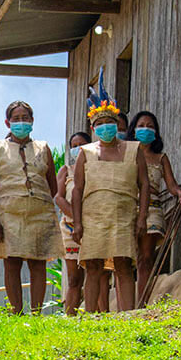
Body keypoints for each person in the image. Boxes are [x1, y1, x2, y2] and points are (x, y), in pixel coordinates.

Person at [71, 68, 149, 312]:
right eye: (100, 123)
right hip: (93, 217)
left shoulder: (134, 149)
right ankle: (91, 316)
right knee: (92, 266)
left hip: (124, 215)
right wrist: (77, 222)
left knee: (124, 264)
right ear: (93, 127)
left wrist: (142, 216)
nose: (105, 127)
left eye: (109, 122)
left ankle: (128, 315)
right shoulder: (86, 153)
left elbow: (144, 184)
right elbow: (77, 190)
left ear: (118, 124)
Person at [0, 101, 64, 314]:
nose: (21, 122)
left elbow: (53, 185)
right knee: (12, 262)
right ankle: (16, 312)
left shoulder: (42, 148)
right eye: (16, 119)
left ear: (32, 121)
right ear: (7, 122)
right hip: (7, 214)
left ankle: (36, 313)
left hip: (39, 213)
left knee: (38, 262)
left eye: (25, 118)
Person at [127, 110, 181, 303]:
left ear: (156, 132)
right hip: (127, 207)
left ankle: (142, 303)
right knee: (125, 259)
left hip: (152, 209)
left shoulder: (161, 158)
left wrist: (180, 193)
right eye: (142, 125)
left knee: (145, 258)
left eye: (150, 126)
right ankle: (126, 305)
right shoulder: (125, 154)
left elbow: (172, 185)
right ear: (134, 129)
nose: (146, 129)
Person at [54, 131, 91, 315]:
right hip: (70, 229)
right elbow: (59, 198)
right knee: (74, 278)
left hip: (93, 227)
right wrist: (77, 219)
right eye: (74, 145)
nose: (77, 148)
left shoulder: (95, 168)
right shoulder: (66, 170)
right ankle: (70, 317)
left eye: (81, 144)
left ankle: (98, 314)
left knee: (96, 273)